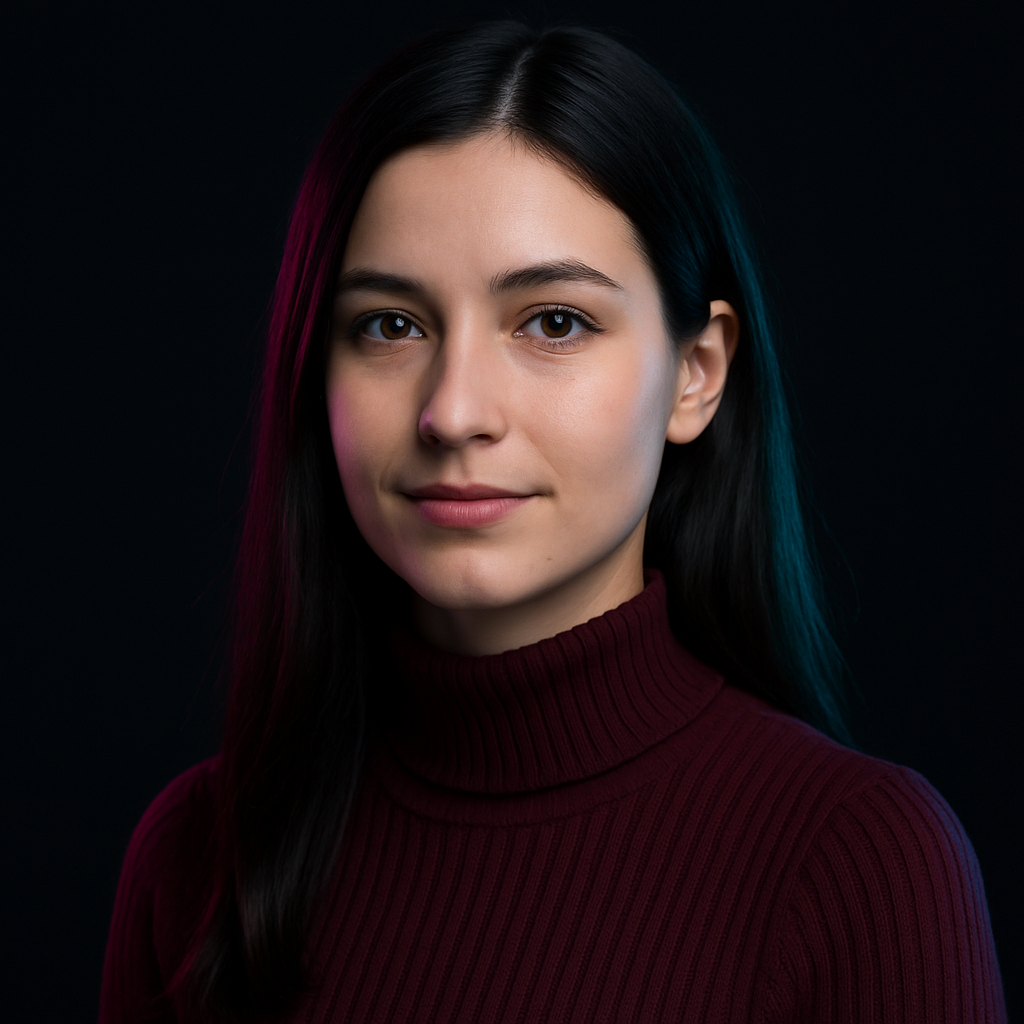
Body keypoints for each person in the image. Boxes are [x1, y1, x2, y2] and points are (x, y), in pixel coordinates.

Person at [99, 21, 1006, 1023]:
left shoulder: (860, 861)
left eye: (553, 322)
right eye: (389, 325)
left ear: (695, 375)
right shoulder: (195, 856)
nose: (454, 412)